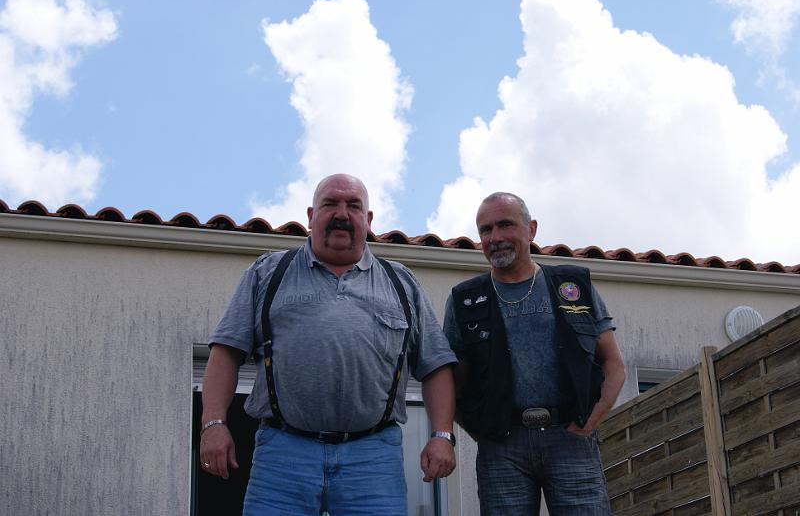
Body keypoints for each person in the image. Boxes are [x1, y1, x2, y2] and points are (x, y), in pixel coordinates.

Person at [200, 174, 457, 515]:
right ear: (311, 216)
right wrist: (213, 424)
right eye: (330, 203)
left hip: (373, 459)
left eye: (353, 206)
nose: (341, 214)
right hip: (282, 456)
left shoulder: (401, 282)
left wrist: (442, 435)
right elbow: (226, 352)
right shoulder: (268, 273)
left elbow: (436, 365)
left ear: (368, 220)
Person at [444, 192, 625, 515]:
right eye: (486, 229)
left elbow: (614, 365)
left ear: (531, 229)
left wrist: (591, 421)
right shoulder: (464, 300)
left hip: (571, 438)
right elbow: (450, 381)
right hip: (502, 447)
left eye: (505, 225)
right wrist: (481, 431)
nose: (495, 237)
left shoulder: (572, 286)